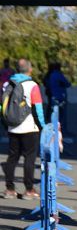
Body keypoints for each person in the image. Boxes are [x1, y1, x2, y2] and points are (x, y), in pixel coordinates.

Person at [1, 59, 46, 199]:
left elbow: (2, 105)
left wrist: (6, 123)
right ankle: (29, 190)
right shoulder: (32, 85)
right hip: (29, 127)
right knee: (29, 158)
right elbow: (38, 108)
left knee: (12, 158)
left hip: (12, 127)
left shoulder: (8, 84)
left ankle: (9, 189)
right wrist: (42, 126)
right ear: (30, 70)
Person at [44, 62, 71, 129]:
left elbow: (47, 84)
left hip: (52, 96)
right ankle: (63, 130)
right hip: (60, 97)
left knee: (53, 113)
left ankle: (52, 128)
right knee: (62, 115)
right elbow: (68, 84)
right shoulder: (58, 74)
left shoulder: (49, 75)